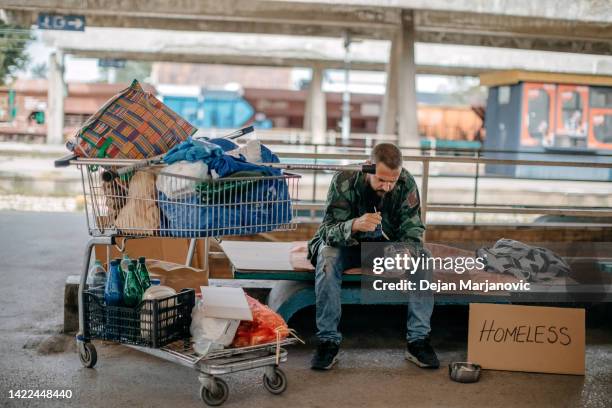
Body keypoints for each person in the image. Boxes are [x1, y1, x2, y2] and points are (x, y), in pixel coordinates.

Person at [307, 142, 439, 370]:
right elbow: (328, 231)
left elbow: (414, 229)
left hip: (384, 250)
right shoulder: (344, 178)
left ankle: (418, 341)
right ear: (368, 167)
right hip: (346, 246)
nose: (387, 187)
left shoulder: (406, 182)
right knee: (327, 258)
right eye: (381, 180)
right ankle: (328, 341)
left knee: (423, 257)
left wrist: (406, 251)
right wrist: (354, 225)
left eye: (392, 181)